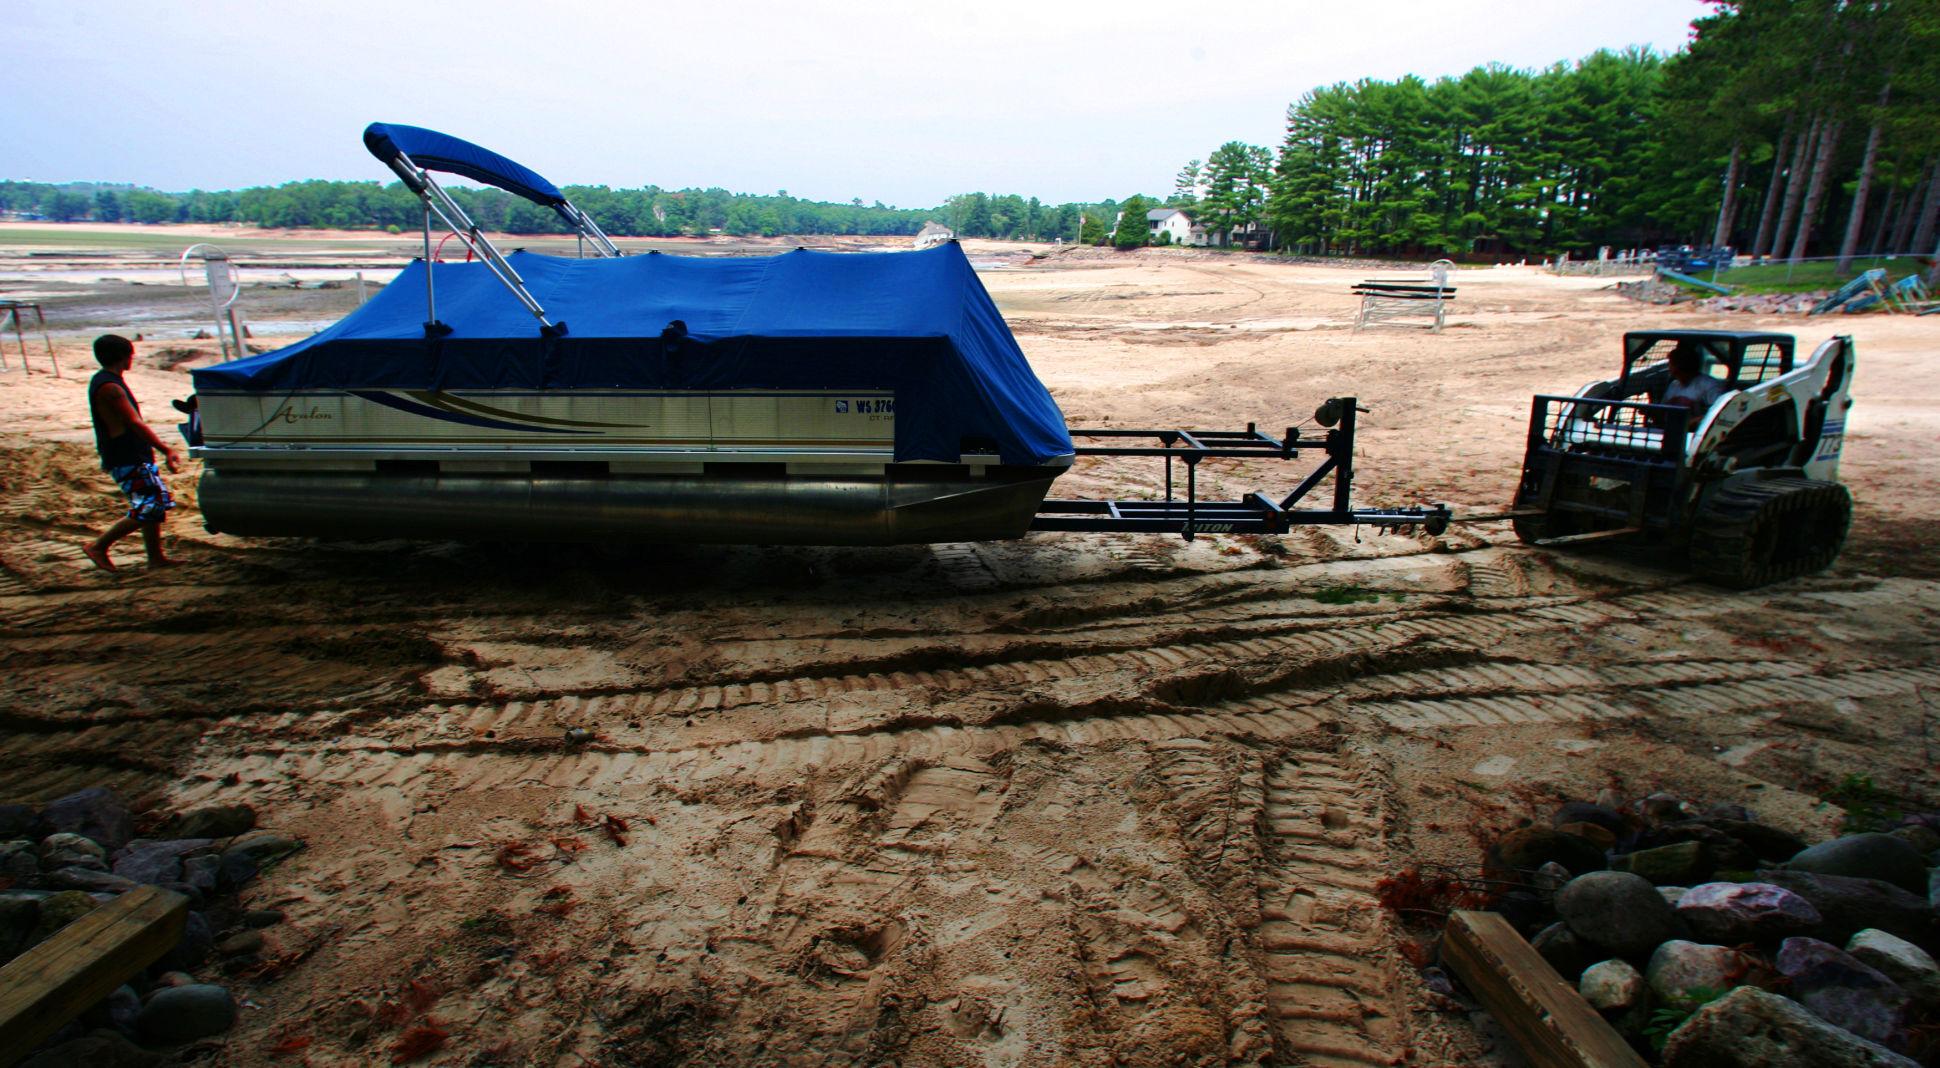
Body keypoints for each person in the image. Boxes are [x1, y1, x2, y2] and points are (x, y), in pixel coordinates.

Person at [83, 334, 180, 572]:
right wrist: (166, 448)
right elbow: (135, 423)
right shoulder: (111, 387)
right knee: (150, 505)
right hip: (126, 454)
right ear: (123, 356)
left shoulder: (106, 381)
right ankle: (98, 546)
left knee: (152, 503)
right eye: (130, 354)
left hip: (129, 452)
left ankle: (155, 557)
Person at [1660, 341, 1726, 415]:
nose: (1669, 369)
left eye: (1671, 365)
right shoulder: (1673, 386)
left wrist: (1693, 422)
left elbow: (1718, 413)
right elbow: (1662, 410)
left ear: (1680, 366)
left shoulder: (1708, 385)